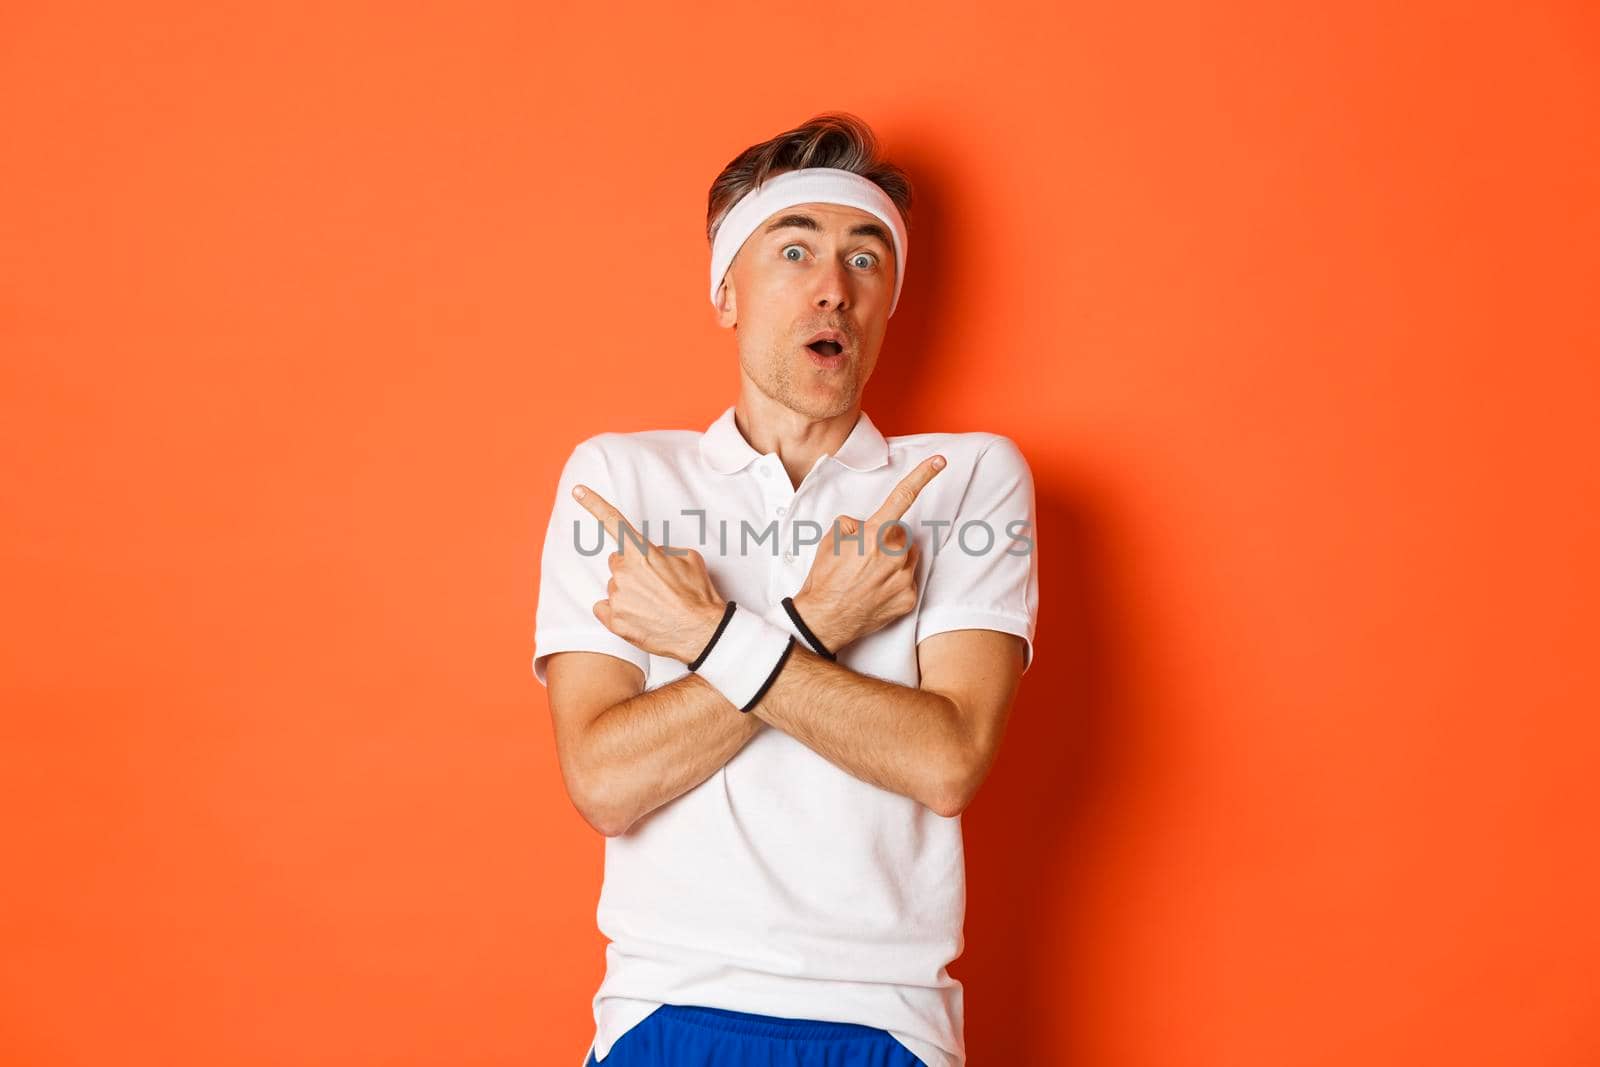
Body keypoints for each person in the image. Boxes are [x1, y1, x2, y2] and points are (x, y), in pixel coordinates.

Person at [532, 112, 1039, 1067]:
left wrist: (712, 635)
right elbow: (604, 782)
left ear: (891, 298)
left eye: (866, 258)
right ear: (727, 291)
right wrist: (820, 623)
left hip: (888, 1021)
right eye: (794, 249)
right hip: (663, 1007)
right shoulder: (624, 481)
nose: (832, 291)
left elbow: (947, 761)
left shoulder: (965, 482)